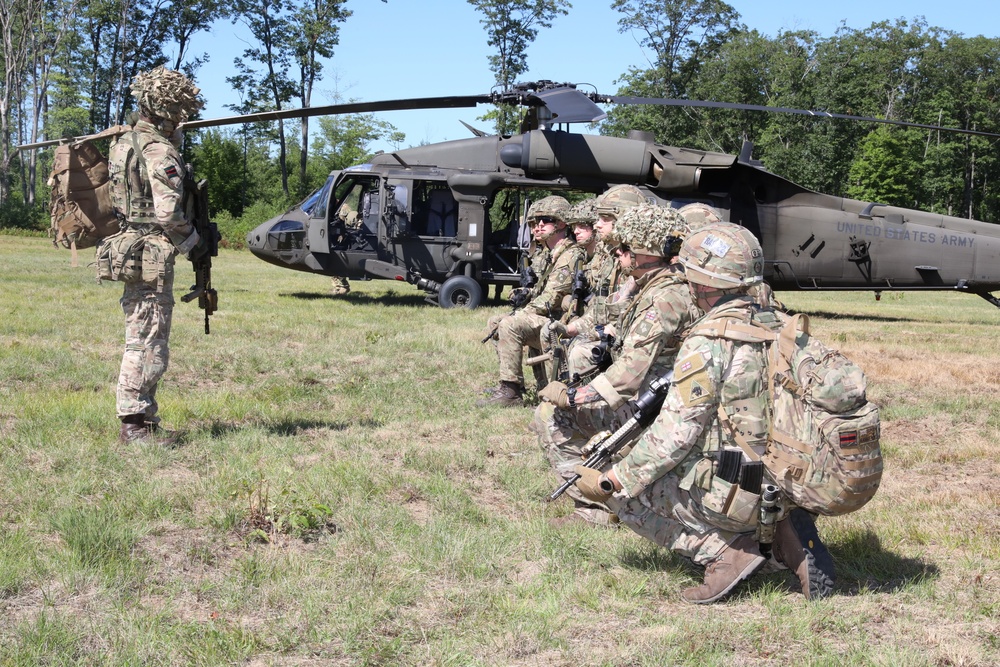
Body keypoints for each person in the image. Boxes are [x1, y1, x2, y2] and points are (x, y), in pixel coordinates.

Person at [572, 222, 834, 604]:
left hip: (737, 489)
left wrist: (612, 479)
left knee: (627, 492)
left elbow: (673, 439)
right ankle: (785, 535)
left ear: (704, 282)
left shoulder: (709, 342)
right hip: (795, 479)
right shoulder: (785, 325)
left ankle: (723, 553)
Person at [534, 204, 702, 526]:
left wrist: (572, 397)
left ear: (646, 252)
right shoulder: (662, 285)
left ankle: (599, 506)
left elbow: (628, 375)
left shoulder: (662, 298)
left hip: (654, 412)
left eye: (625, 248)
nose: (618, 254)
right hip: (661, 404)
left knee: (550, 416)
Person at [106, 67, 205, 444]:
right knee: (148, 341)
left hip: (129, 244)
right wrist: (191, 239)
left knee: (142, 335)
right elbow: (167, 213)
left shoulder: (123, 143)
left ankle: (143, 419)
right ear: (169, 111)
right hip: (151, 253)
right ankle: (134, 426)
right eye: (181, 114)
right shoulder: (159, 150)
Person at [479, 196, 585, 407]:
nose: (537, 227)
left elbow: (551, 298)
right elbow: (538, 290)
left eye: (544, 220)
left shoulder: (570, 255)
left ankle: (511, 394)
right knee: (494, 321)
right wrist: (521, 292)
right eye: (534, 223)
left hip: (559, 322)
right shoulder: (548, 254)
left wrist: (523, 312)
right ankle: (511, 384)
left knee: (510, 323)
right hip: (545, 317)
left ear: (562, 223)